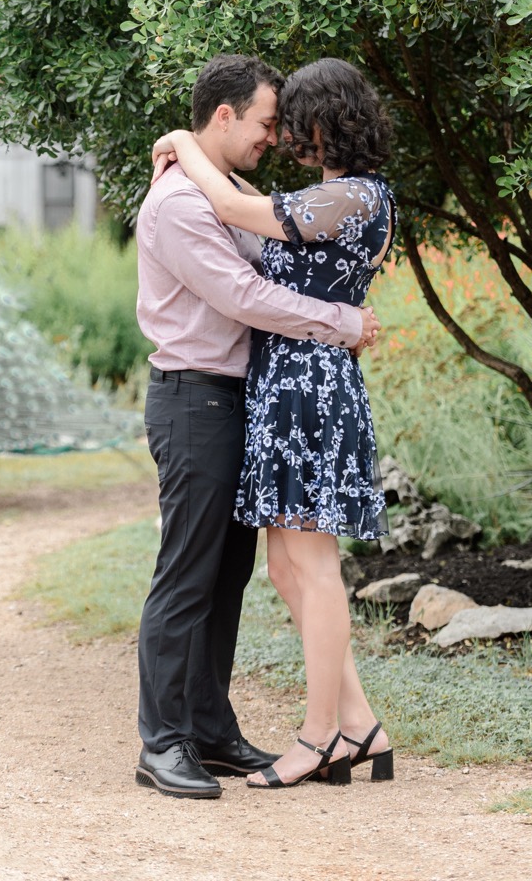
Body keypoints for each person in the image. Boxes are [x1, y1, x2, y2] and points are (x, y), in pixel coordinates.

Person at [135, 53, 381, 799]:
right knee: (186, 575)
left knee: (228, 575)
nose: (273, 139)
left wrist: (181, 143)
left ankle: (209, 731)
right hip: (194, 399)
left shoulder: (226, 193)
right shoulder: (180, 204)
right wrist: (340, 321)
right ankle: (163, 742)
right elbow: (243, 292)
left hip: (239, 400)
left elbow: (256, 222)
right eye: (266, 124)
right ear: (224, 117)